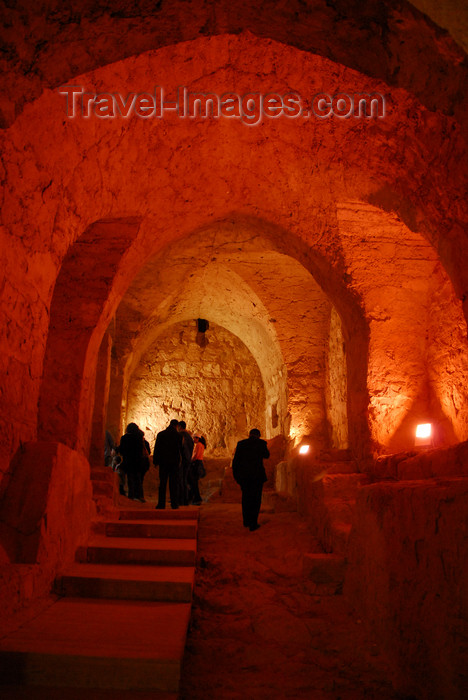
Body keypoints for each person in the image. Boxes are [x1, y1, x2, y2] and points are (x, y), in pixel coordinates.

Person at [232, 428, 269, 531]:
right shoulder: (261, 443)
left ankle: (246, 521)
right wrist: (262, 444)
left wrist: (237, 477)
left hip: (245, 477)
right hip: (257, 477)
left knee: (246, 499)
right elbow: (267, 455)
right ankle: (253, 523)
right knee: (256, 500)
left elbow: (236, 462)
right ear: (258, 435)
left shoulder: (241, 444)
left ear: (249, 435)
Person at [153, 419, 183, 509]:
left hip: (163, 462)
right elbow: (180, 450)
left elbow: (157, 449)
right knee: (174, 483)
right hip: (174, 462)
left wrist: (155, 461)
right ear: (176, 426)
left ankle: (161, 504)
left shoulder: (161, 434)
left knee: (162, 483)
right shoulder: (178, 436)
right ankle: (174, 503)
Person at [118, 422, 146, 502]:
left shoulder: (125, 438)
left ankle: (131, 495)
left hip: (128, 460)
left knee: (130, 478)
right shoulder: (139, 437)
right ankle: (140, 495)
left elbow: (122, 450)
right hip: (138, 461)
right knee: (138, 479)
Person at [178, 421, 194, 506]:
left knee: (181, 480)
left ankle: (182, 499)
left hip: (182, 461)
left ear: (179, 426)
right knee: (184, 479)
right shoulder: (189, 437)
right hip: (188, 461)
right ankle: (185, 499)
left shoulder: (181, 436)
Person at [188, 434, 205, 505]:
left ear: (197, 438)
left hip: (196, 463)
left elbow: (196, 455)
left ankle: (196, 497)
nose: (193, 440)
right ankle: (194, 497)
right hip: (199, 463)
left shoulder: (198, 445)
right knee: (194, 482)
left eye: (194, 438)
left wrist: (191, 460)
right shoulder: (202, 445)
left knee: (193, 482)